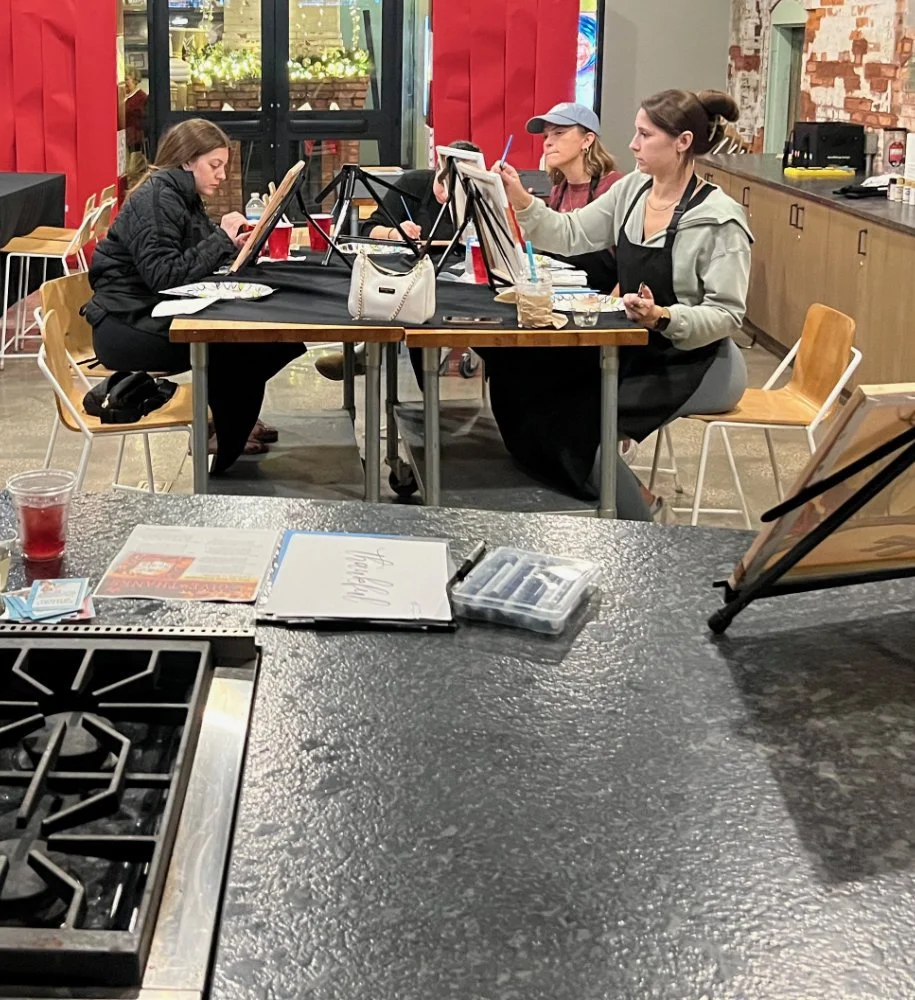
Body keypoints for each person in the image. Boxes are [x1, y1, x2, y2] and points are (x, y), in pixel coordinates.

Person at [481, 89, 751, 517]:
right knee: (529, 382)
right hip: (635, 347)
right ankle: (591, 505)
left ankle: (638, 527)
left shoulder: (720, 218)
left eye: (644, 135)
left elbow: (727, 314)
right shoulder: (633, 191)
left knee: (583, 419)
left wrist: (664, 316)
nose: (632, 144)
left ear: (682, 142)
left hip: (695, 362)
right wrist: (521, 200)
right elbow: (571, 234)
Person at [85, 119, 305, 473]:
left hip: (145, 310)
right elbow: (165, 275)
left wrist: (229, 244)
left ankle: (229, 419)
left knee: (264, 334)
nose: (220, 175)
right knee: (240, 340)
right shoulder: (156, 199)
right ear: (187, 162)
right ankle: (227, 426)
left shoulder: (181, 195)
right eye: (214, 165)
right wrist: (221, 237)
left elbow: (188, 256)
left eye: (223, 167)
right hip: (125, 326)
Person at [315, 140, 481, 382]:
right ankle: (366, 351)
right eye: (443, 183)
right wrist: (395, 232)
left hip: (458, 273)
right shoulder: (414, 184)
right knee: (393, 290)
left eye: (457, 188)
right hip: (409, 269)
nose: (447, 193)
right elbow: (369, 229)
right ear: (437, 168)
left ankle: (373, 353)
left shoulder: (477, 194)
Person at [528, 101, 623, 290]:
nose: (548, 142)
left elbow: (633, 266)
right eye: (546, 135)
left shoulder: (614, 188)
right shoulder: (558, 190)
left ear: (587, 140)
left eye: (559, 133)